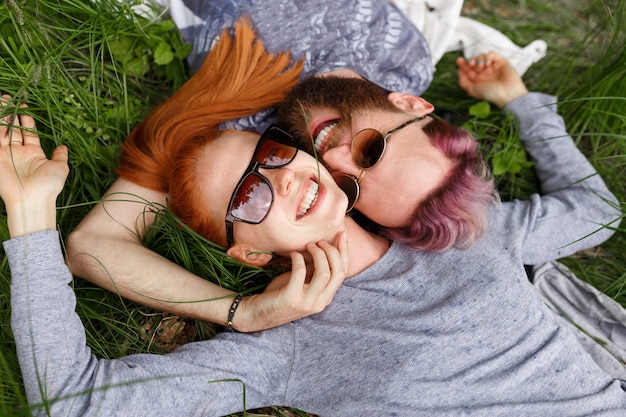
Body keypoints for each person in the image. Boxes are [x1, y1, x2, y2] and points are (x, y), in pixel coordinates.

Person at [3, 27, 626, 417]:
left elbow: (594, 216)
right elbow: (76, 403)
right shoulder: (290, 348)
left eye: (273, 154)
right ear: (246, 253)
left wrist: (522, 103)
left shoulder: (463, 229)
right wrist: (30, 221)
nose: (281, 179)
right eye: (247, 200)